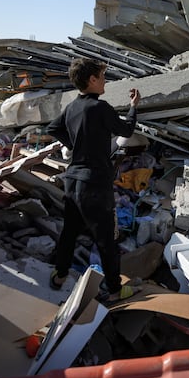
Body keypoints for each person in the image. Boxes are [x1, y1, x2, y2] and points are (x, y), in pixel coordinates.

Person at [46, 57, 141, 303]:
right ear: (92, 80)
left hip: (73, 179)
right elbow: (127, 130)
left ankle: (59, 275)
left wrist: (76, 146)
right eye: (102, 77)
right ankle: (115, 289)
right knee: (106, 239)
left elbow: (53, 129)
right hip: (95, 183)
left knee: (70, 232)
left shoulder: (73, 107)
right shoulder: (100, 108)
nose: (104, 81)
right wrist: (134, 106)